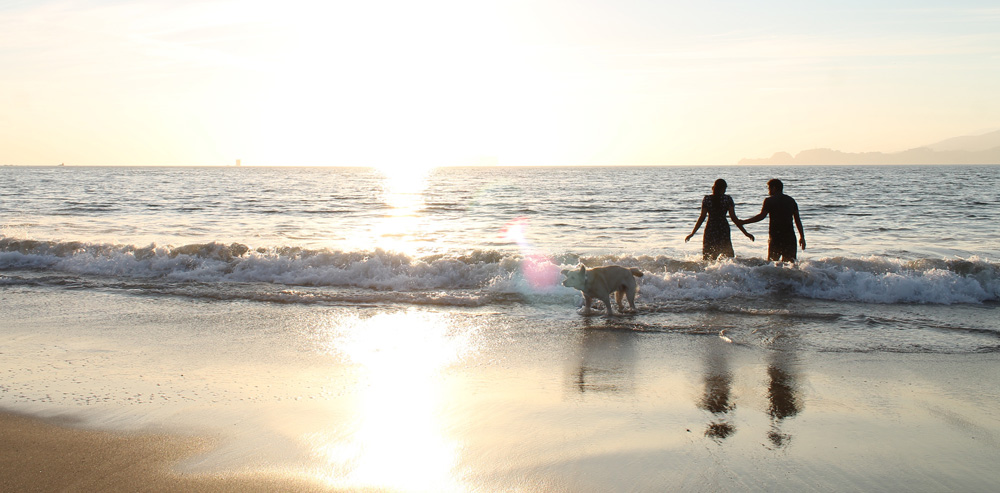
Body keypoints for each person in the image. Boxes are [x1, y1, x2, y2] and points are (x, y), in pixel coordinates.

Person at [737, 178, 806, 262]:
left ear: (774, 188)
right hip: (790, 237)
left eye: (769, 188)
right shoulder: (791, 200)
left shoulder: (769, 201)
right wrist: (802, 237)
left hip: (776, 237)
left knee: (772, 264)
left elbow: (761, 216)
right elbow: (797, 220)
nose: (768, 191)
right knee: (790, 265)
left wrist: (744, 222)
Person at [685, 179, 755, 260]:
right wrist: (745, 233)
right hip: (723, 228)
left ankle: (708, 272)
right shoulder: (727, 199)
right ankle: (729, 271)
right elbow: (734, 218)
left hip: (711, 228)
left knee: (708, 256)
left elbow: (702, 218)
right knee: (728, 256)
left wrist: (692, 233)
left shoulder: (707, 199)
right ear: (723, 189)